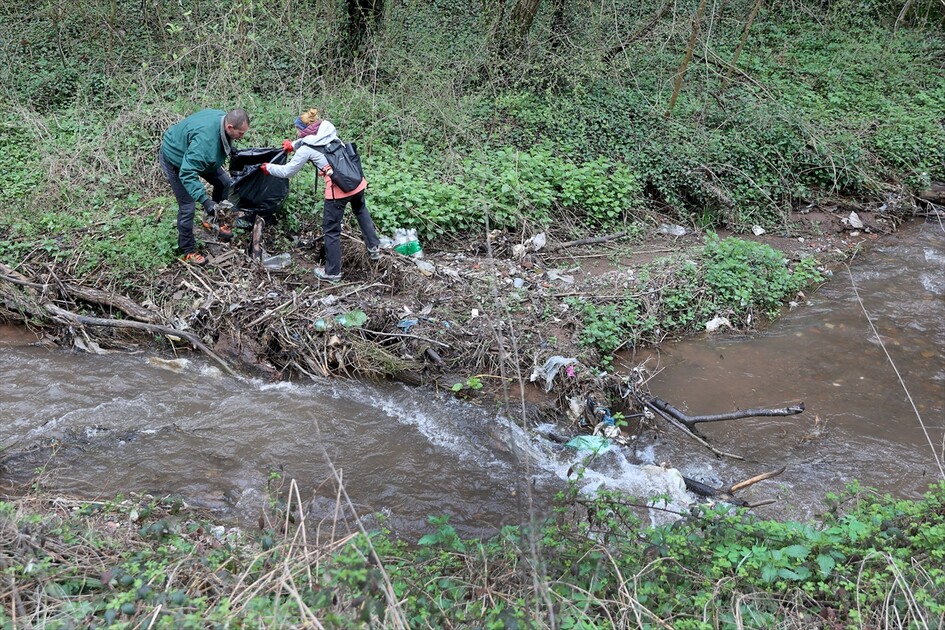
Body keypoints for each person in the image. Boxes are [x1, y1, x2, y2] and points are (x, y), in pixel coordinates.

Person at [260, 108, 381, 283]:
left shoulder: (307, 149)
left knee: (331, 230)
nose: (297, 134)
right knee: (361, 210)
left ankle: (332, 273)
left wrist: (268, 168)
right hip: (357, 183)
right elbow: (311, 140)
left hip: (338, 191)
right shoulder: (330, 133)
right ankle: (374, 247)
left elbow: (287, 171)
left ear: (302, 130)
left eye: (297, 131)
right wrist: (292, 145)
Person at [159, 108, 250, 266]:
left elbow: (218, 141)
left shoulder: (222, 119)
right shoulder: (205, 144)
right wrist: (205, 201)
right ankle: (188, 251)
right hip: (176, 159)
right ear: (230, 127)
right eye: (240, 134)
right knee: (188, 206)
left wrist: (230, 148)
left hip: (194, 154)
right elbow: (187, 173)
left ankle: (213, 220)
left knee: (224, 183)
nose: (242, 137)